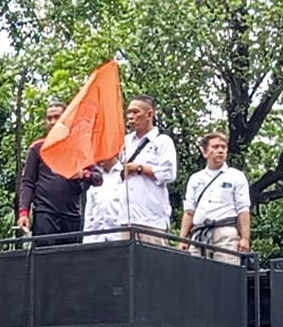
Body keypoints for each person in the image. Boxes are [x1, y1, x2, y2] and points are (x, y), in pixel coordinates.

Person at [88, 95, 176, 244]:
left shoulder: (162, 141)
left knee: (151, 264)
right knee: (127, 265)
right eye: (129, 112)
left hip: (151, 221)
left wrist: (139, 168)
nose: (130, 117)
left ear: (149, 114)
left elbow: (169, 173)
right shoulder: (125, 141)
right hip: (126, 220)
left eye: (135, 112)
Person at [17, 102, 103, 244]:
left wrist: (83, 175)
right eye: (49, 118)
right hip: (45, 214)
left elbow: (98, 178)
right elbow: (28, 182)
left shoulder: (79, 148)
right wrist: (24, 213)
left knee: (69, 262)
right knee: (46, 259)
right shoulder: (38, 148)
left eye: (57, 117)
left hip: (72, 216)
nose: (52, 122)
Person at [177, 132, 251, 263]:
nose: (220, 151)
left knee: (225, 274)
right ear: (205, 152)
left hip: (225, 232)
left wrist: (245, 238)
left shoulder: (236, 176)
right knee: (195, 277)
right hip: (199, 233)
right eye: (215, 147)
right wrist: (183, 239)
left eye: (223, 147)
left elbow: (243, 209)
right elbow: (189, 211)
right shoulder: (195, 178)